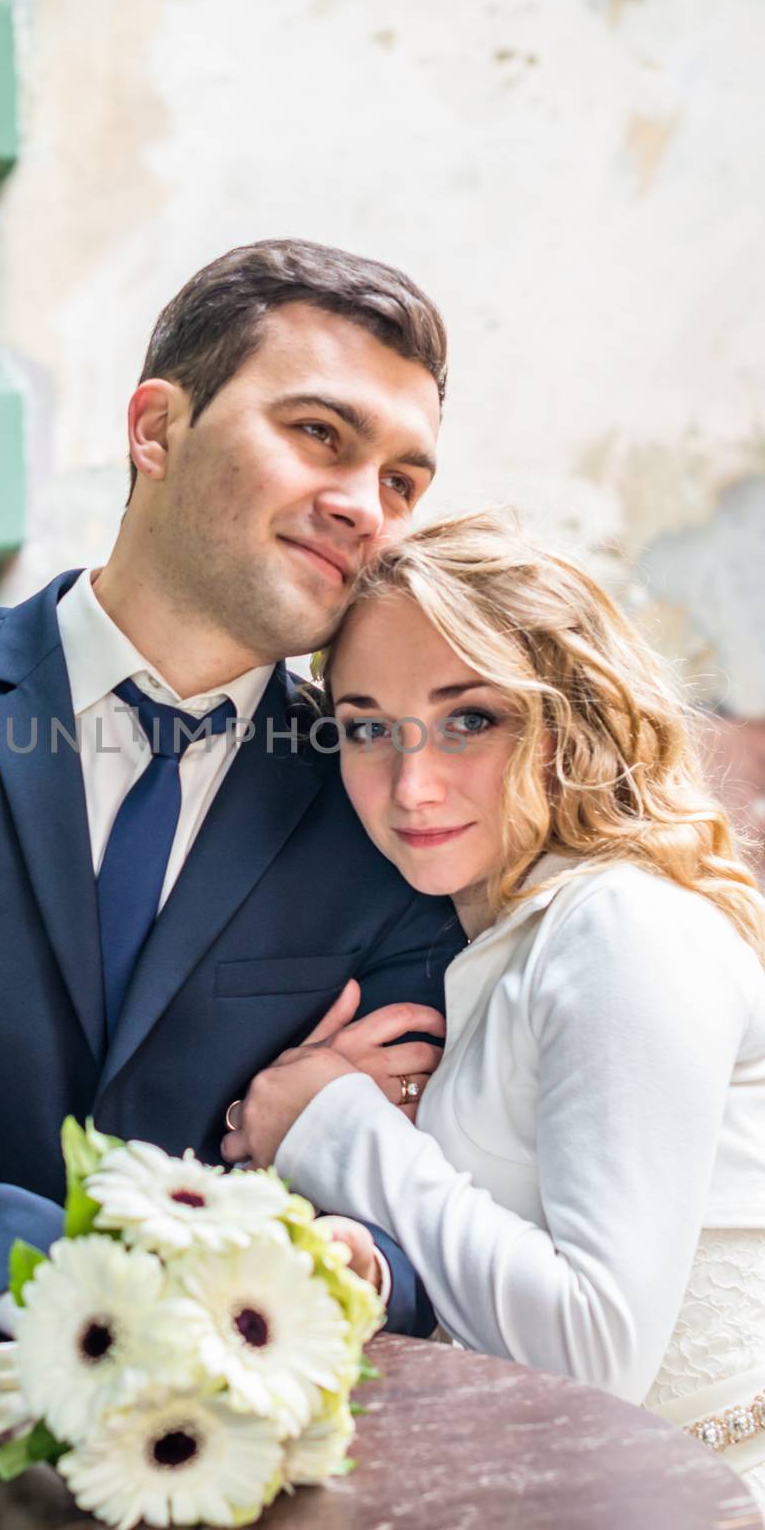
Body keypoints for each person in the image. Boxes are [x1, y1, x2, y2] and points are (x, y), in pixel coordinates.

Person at [0, 238, 465, 1340]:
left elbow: (415, 1183)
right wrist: (104, 1298)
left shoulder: (388, 798)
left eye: (401, 479)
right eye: (317, 434)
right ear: (155, 428)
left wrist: (352, 1242)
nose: (364, 506)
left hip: (230, 1401)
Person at [221, 509, 765, 1508]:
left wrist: (327, 1121)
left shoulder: (619, 927)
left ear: (573, 722)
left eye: (469, 717)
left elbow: (596, 1353)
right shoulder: (504, 941)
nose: (410, 782)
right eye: (366, 726)